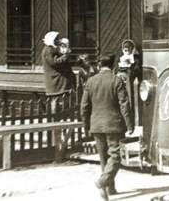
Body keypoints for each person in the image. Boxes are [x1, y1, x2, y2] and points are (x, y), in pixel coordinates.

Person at [80, 54, 133, 200]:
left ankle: (109, 189)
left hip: (96, 125)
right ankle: (102, 182)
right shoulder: (116, 80)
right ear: (113, 65)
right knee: (116, 156)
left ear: (99, 65)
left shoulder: (90, 81)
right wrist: (129, 124)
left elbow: (84, 107)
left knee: (104, 158)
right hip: (114, 125)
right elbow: (124, 104)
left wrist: (86, 125)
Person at [41, 31, 75, 116]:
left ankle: (61, 116)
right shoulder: (48, 50)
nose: (58, 40)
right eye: (56, 39)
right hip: (55, 80)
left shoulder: (53, 49)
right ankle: (55, 118)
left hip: (59, 79)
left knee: (62, 99)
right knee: (55, 100)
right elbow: (54, 62)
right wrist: (65, 55)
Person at [115, 39, 142, 109]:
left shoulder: (136, 59)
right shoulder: (120, 58)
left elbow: (137, 70)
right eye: (125, 50)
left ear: (132, 49)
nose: (126, 51)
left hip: (130, 81)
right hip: (120, 80)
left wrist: (129, 69)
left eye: (128, 50)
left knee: (129, 97)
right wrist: (119, 70)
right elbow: (115, 69)